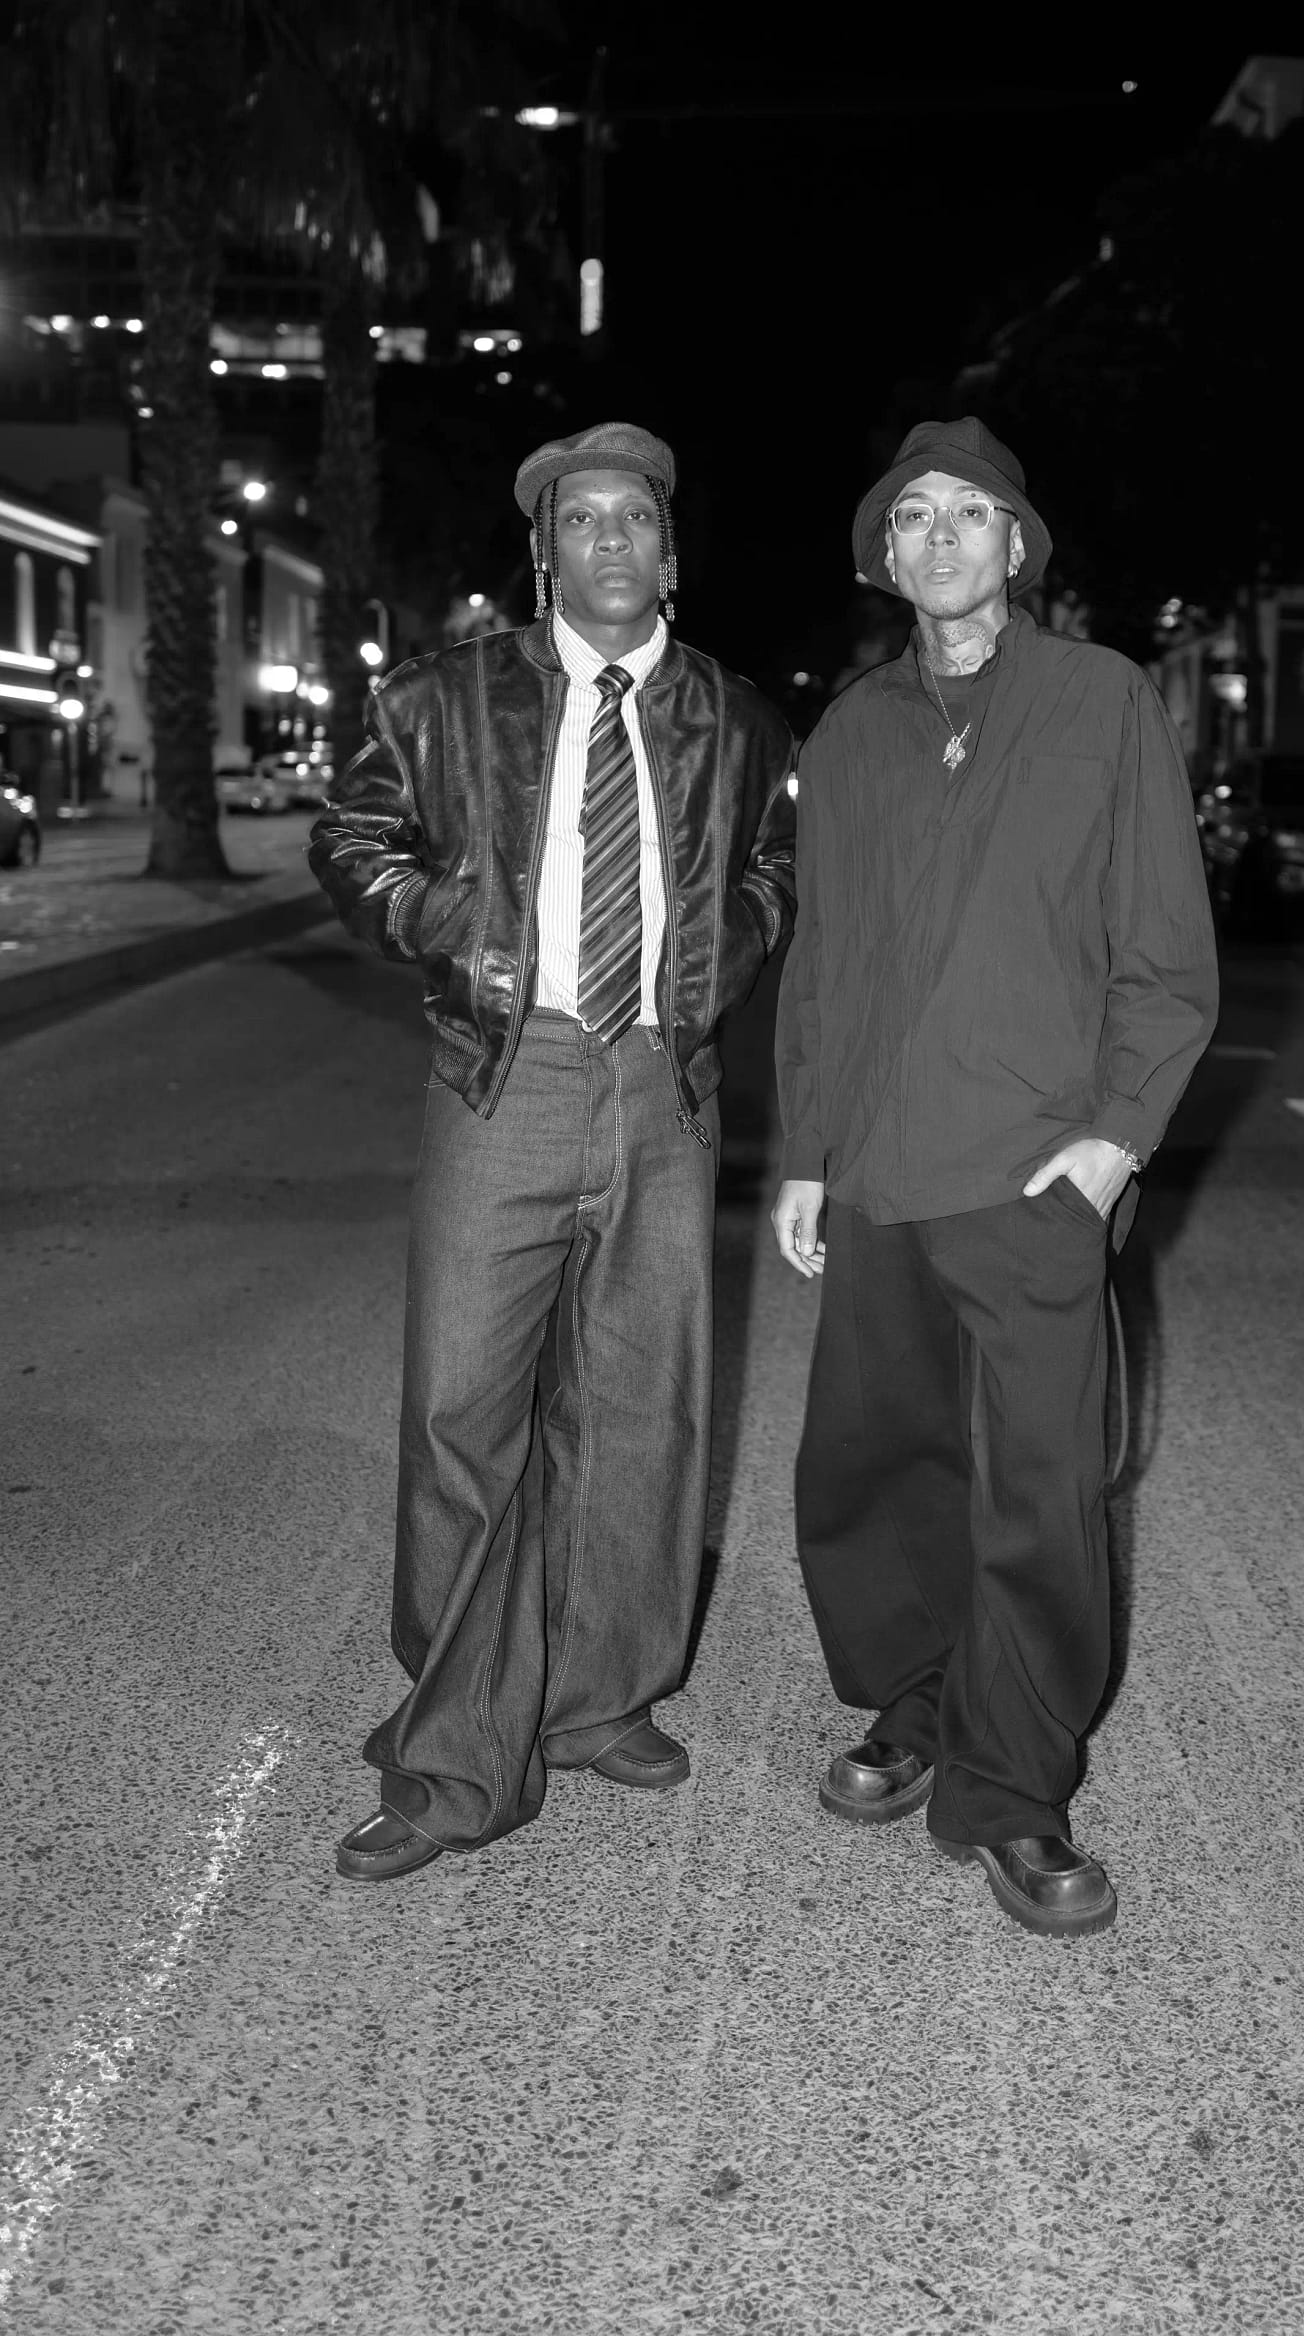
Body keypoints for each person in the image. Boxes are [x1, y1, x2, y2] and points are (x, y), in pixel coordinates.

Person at [310, 421, 795, 1883]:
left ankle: (597, 1698)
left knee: (643, 1404)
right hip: (502, 1077)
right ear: (543, 551)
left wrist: (724, 954)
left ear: (670, 549)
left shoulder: (738, 716)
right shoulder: (442, 698)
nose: (609, 541)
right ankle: (458, 1751)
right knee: (463, 1408)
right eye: (580, 519)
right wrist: (444, 920)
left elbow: (776, 864)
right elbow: (352, 838)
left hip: (663, 1084)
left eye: (634, 517)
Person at [771, 416, 1217, 1940]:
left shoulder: (1101, 700)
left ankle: (1016, 1787)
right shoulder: (847, 733)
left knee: (1038, 1491)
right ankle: (917, 1699)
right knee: (876, 1466)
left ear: (1017, 547)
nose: (942, 537)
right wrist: (806, 1155)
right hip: (881, 1169)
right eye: (914, 518)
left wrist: (1113, 1142)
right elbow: (822, 966)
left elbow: (1165, 951)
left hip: (1036, 1173)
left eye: (971, 513)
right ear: (884, 556)